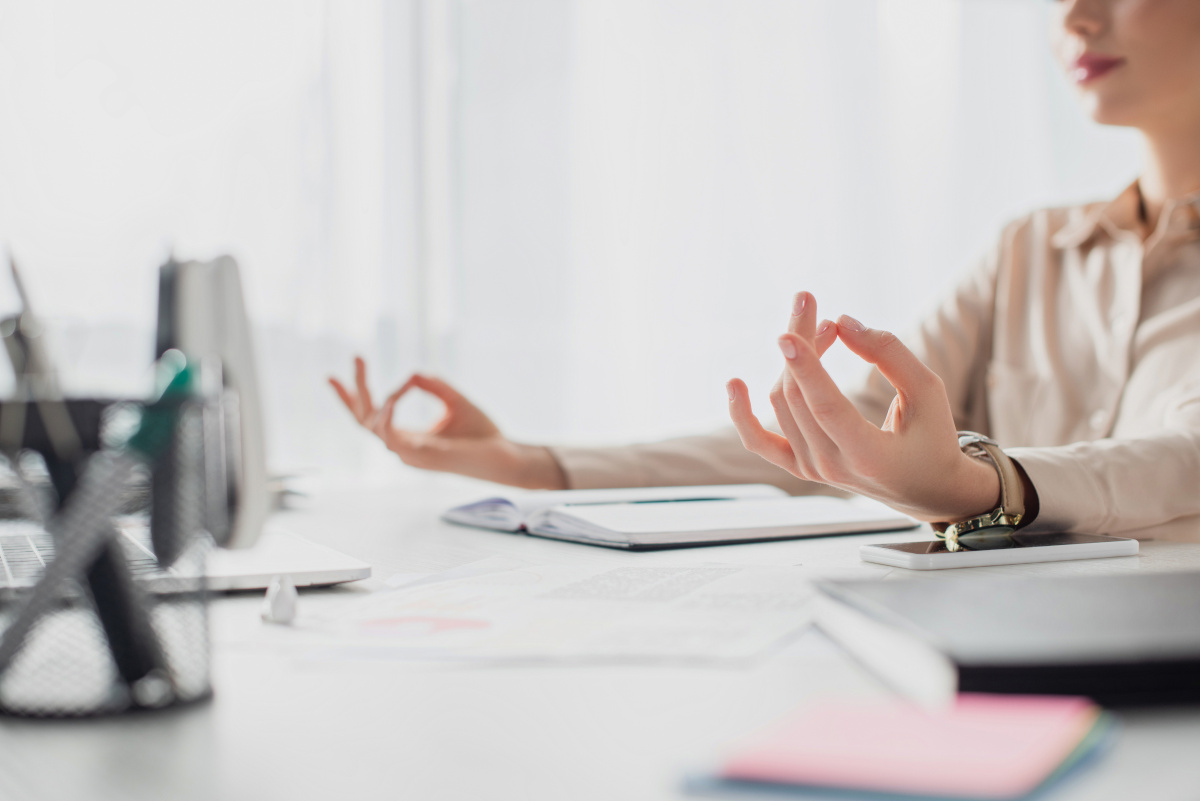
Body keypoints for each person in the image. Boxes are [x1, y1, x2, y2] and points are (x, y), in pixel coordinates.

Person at [331, 0, 1200, 541]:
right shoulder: (1028, 251)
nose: (1076, 16)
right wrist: (536, 463)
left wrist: (982, 485)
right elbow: (829, 444)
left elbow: (1182, 458)